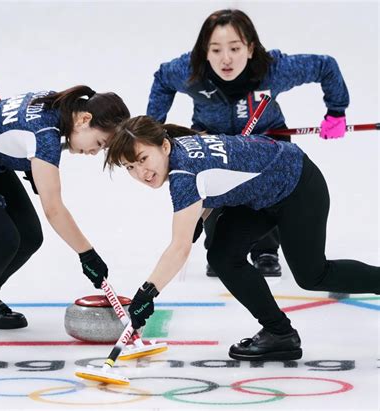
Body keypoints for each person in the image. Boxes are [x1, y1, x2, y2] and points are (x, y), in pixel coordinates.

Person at [104, 115, 379, 360]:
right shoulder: (181, 145)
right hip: (260, 195)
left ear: (163, 146)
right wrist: (199, 217)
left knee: (313, 276)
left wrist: (146, 294)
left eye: (142, 159)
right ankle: (280, 333)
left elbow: (179, 249)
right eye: (129, 167)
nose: (141, 173)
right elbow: (216, 178)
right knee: (223, 255)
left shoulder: (183, 174)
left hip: (298, 186)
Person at [146, 9, 349, 277]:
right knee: (213, 198)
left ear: (250, 48)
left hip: (267, 143)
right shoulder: (189, 71)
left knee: (266, 196)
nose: (226, 59)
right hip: (213, 143)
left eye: (235, 48)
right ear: (204, 51)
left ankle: (265, 251)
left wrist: (336, 112)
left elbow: (325, 66)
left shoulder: (273, 69)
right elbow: (162, 79)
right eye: (216, 50)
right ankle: (220, 248)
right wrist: (153, 131)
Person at [0, 86, 130, 346]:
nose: (93, 152)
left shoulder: (59, 105)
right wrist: (87, 254)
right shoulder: (45, 135)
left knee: (30, 236)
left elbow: (14, 132)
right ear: (84, 119)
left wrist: (28, 161)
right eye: (99, 143)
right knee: (4, 238)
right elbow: (53, 209)